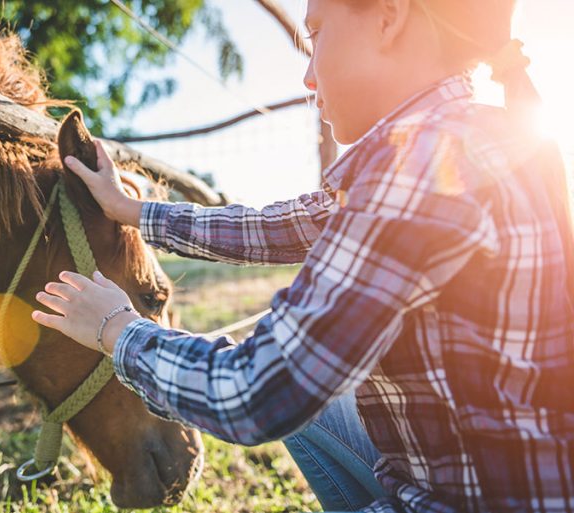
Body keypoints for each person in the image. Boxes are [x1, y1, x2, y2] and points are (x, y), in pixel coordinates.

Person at [31, 0, 574, 511]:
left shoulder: (420, 169)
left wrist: (116, 330)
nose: (309, 76)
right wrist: (132, 209)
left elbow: (255, 395)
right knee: (299, 345)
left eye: (315, 34)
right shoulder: (470, 135)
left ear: (388, 17)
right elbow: (277, 227)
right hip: (483, 472)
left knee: (291, 360)